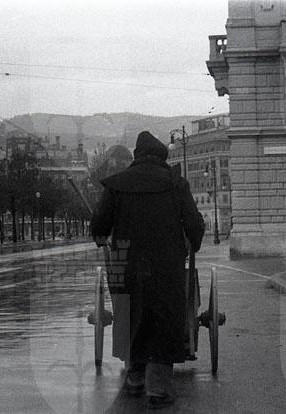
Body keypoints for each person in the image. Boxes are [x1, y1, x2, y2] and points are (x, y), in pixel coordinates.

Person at [90, 130, 204, 409]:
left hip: (126, 262)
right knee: (164, 319)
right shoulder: (175, 183)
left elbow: (99, 226)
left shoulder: (117, 185)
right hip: (165, 263)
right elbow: (194, 223)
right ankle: (159, 388)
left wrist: (102, 237)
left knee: (130, 314)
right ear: (161, 156)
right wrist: (194, 243)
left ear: (137, 155)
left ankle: (135, 376)